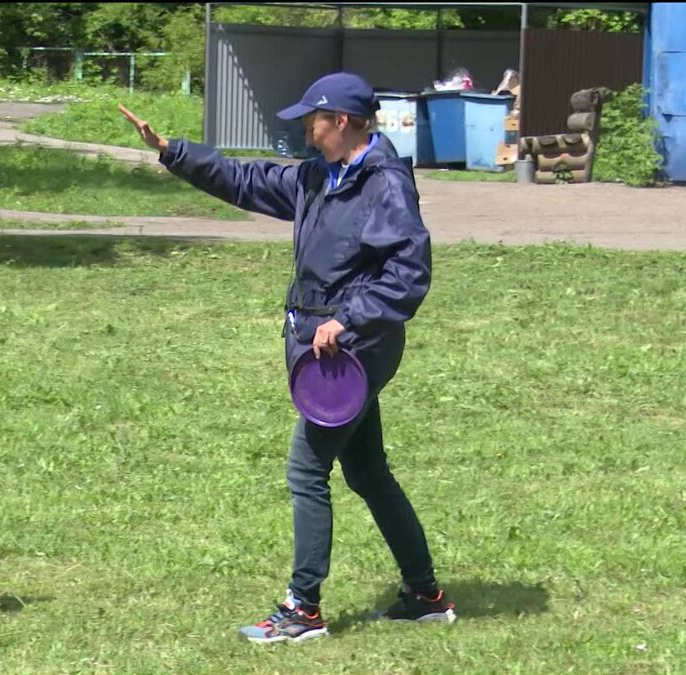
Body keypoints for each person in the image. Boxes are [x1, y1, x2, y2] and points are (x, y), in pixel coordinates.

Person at [119, 71, 454, 643]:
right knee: (369, 472)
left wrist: (346, 319)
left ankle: (303, 610)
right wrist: (174, 152)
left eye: (312, 118)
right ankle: (425, 595)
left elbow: (409, 272)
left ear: (340, 122)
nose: (304, 127)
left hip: (354, 348)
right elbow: (245, 179)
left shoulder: (382, 183)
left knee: (306, 467)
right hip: (327, 343)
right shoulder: (320, 177)